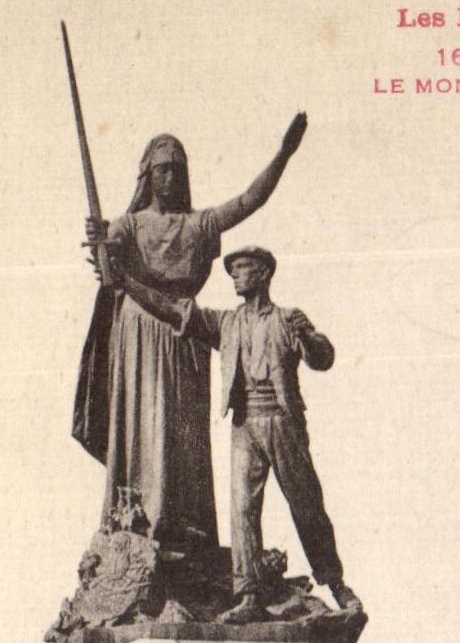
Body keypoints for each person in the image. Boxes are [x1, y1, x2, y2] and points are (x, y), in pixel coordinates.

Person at [75, 119, 308, 551]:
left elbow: (248, 201)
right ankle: (140, 521)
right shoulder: (130, 225)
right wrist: (99, 240)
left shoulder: (199, 225)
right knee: (145, 421)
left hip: (186, 330)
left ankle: (186, 525)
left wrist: (283, 155)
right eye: (162, 169)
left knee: (184, 429)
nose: (170, 177)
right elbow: (107, 257)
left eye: (177, 169)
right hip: (139, 329)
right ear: (148, 175)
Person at [105, 245, 361, 622]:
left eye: (242, 269)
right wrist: (127, 284)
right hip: (245, 424)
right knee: (242, 512)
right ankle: (248, 595)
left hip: (282, 421)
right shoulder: (227, 323)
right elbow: (176, 311)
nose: (235, 276)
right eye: (233, 270)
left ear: (263, 274)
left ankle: (337, 584)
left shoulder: (286, 319)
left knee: (306, 504)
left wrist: (306, 337)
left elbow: (323, 358)